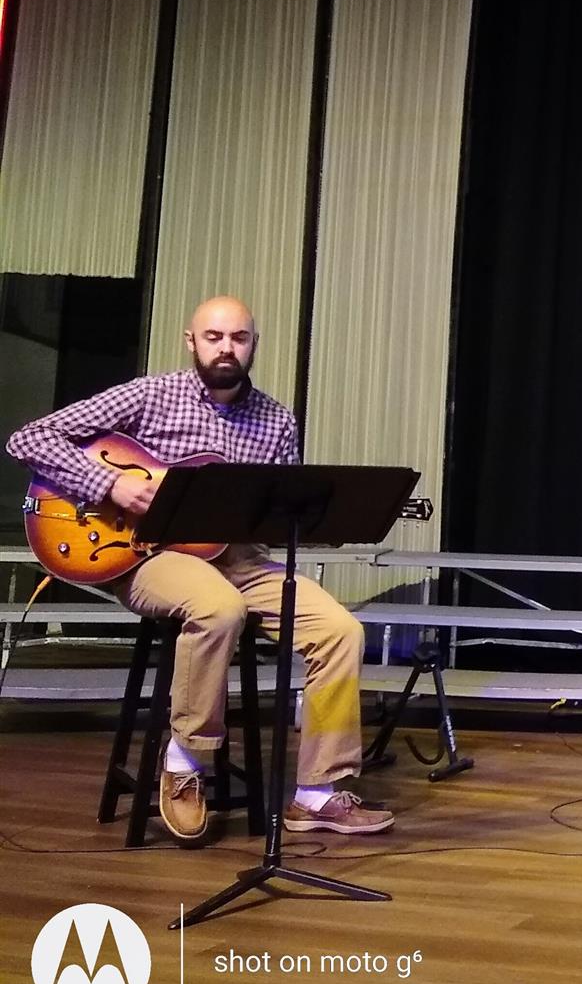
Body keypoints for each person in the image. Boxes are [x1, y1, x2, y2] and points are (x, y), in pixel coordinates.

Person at [5, 297, 393, 841]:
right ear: (192, 341)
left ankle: (317, 792)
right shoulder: (150, 395)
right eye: (214, 337)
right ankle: (185, 761)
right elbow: (29, 438)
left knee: (340, 630)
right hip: (149, 555)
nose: (226, 348)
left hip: (236, 557)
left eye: (239, 338)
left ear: (253, 345)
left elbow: (274, 517)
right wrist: (110, 483)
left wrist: (326, 516)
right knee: (218, 608)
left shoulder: (277, 421)